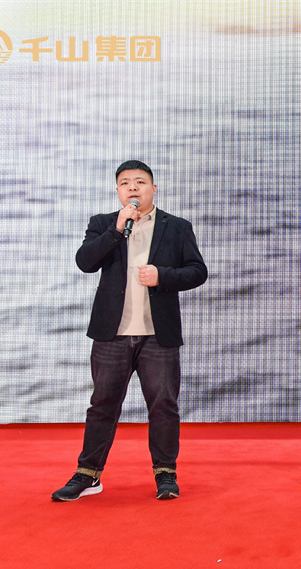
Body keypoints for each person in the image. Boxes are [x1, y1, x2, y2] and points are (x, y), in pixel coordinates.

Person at [52, 160, 208, 501]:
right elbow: (85, 262)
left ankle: (165, 475)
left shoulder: (177, 227)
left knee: (163, 406)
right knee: (102, 405)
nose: (133, 187)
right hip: (112, 334)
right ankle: (88, 475)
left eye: (140, 182)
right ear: (118, 191)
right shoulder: (104, 223)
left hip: (158, 336)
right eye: (125, 183)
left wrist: (163, 275)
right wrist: (116, 229)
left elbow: (198, 271)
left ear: (154, 189)